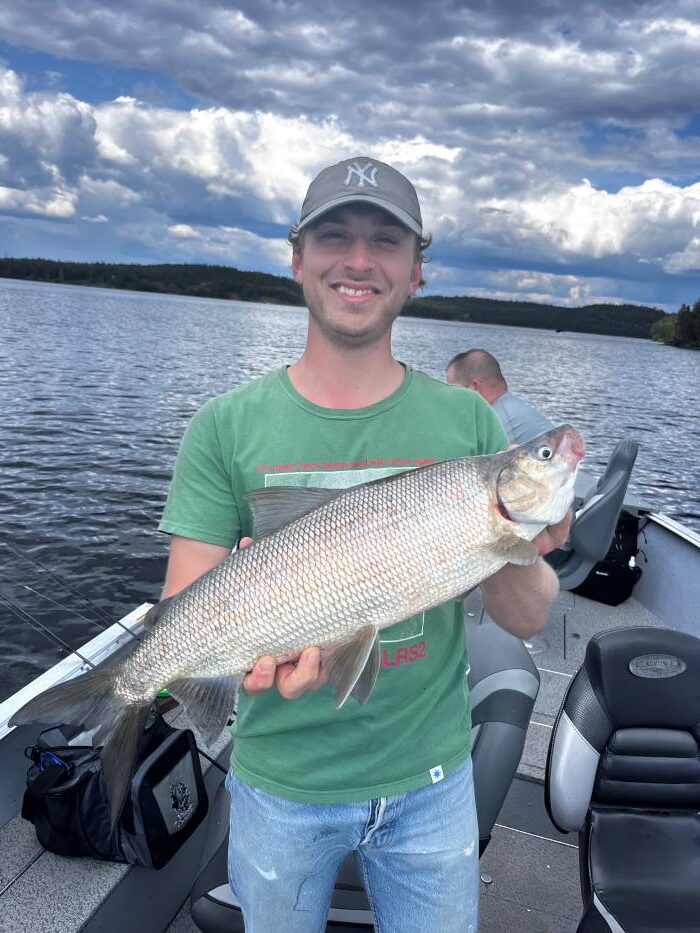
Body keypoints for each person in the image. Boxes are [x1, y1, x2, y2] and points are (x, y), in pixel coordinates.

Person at [158, 155, 570, 933]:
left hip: (433, 781)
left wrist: (520, 539)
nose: (357, 259)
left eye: (386, 241)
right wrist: (232, 646)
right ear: (296, 257)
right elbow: (186, 600)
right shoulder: (224, 425)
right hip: (281, 783)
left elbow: (522, 618)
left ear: (417, 270)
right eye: (334, 237)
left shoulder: (470, 425)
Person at [447, 348, 553, 445]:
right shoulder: (512, 407)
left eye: (454, 390)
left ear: (474, 387)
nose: (450, 398)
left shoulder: (493, 422)